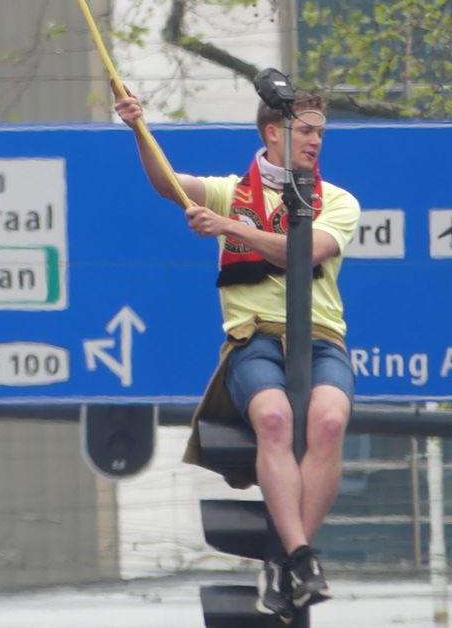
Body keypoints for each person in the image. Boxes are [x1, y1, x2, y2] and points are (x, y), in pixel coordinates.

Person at [115, 89, 360, 620]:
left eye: (322, 131)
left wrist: (228, 227)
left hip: (321, 338)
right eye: (309, 129)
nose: (318, 140)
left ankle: (285, 559)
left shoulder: (337, 200)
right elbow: (168, 184)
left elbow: (305, 252)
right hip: (255, 338)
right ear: (274, 131)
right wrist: (138, 127)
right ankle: (299, 557)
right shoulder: (230, 191)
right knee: (272, 419)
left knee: (330, 421)